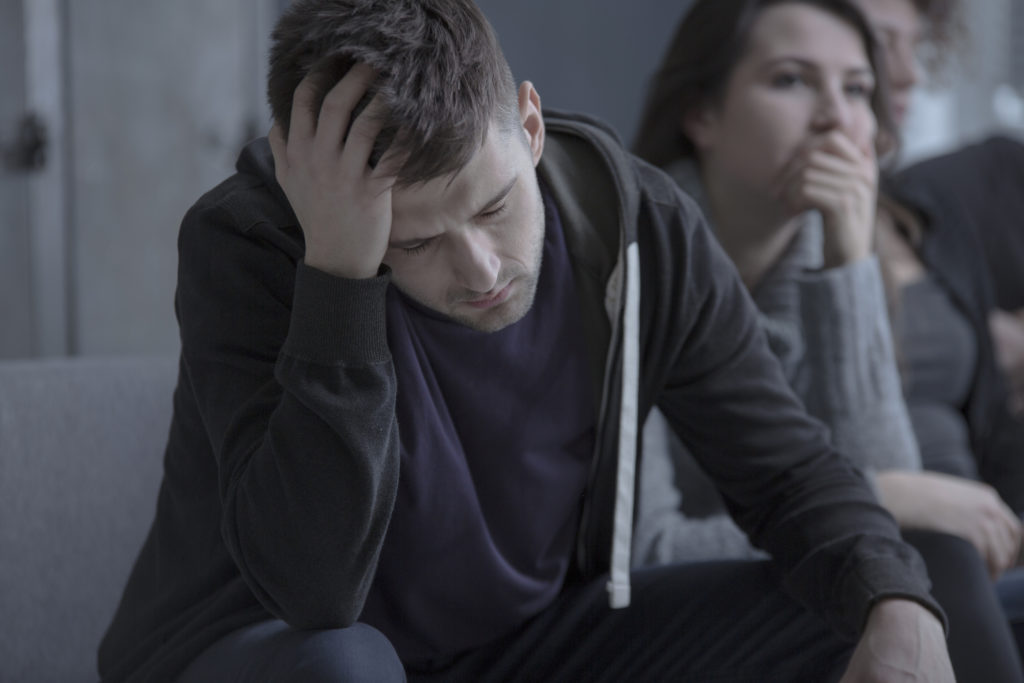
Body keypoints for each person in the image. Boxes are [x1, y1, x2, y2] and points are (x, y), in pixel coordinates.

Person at [96, 1, 954, 681]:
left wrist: (898, 601)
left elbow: (785, 470)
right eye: (417, 242)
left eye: (496, 206)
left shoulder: (637, 222)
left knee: (889, 594)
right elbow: (314, 588)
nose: (479, 269)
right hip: (266, 648)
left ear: (530, 124)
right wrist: (340, 276)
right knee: (346, 661)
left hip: (527, 642)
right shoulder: (247, 247)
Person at [631, 0, 1024, 680]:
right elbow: (649, 549)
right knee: (928, 559)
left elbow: (891, 541)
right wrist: (888, 493)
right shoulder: (637, 256)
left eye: (857, 90)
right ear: (702, 116)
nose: (837, 118)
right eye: (791, 80)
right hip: (656, 611)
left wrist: (849, 259)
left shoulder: (837, 254)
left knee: (928, 561)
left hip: (813, 578)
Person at [851, 0, 1024, 456]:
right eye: (881, 43)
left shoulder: (918, 212)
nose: (912, 75)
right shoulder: (973, 180)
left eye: (917, 46)